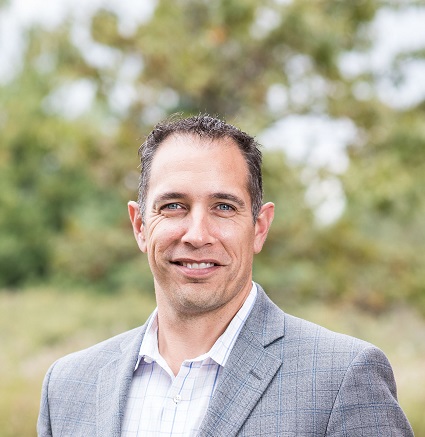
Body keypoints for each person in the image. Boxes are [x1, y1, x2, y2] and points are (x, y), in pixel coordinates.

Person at [37, 114, 413, 436]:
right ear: (140, 226)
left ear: (260, 227)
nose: (197, 235)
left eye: (223, 207)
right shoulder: (67, 387)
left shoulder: (343, 378)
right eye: (173, 205)